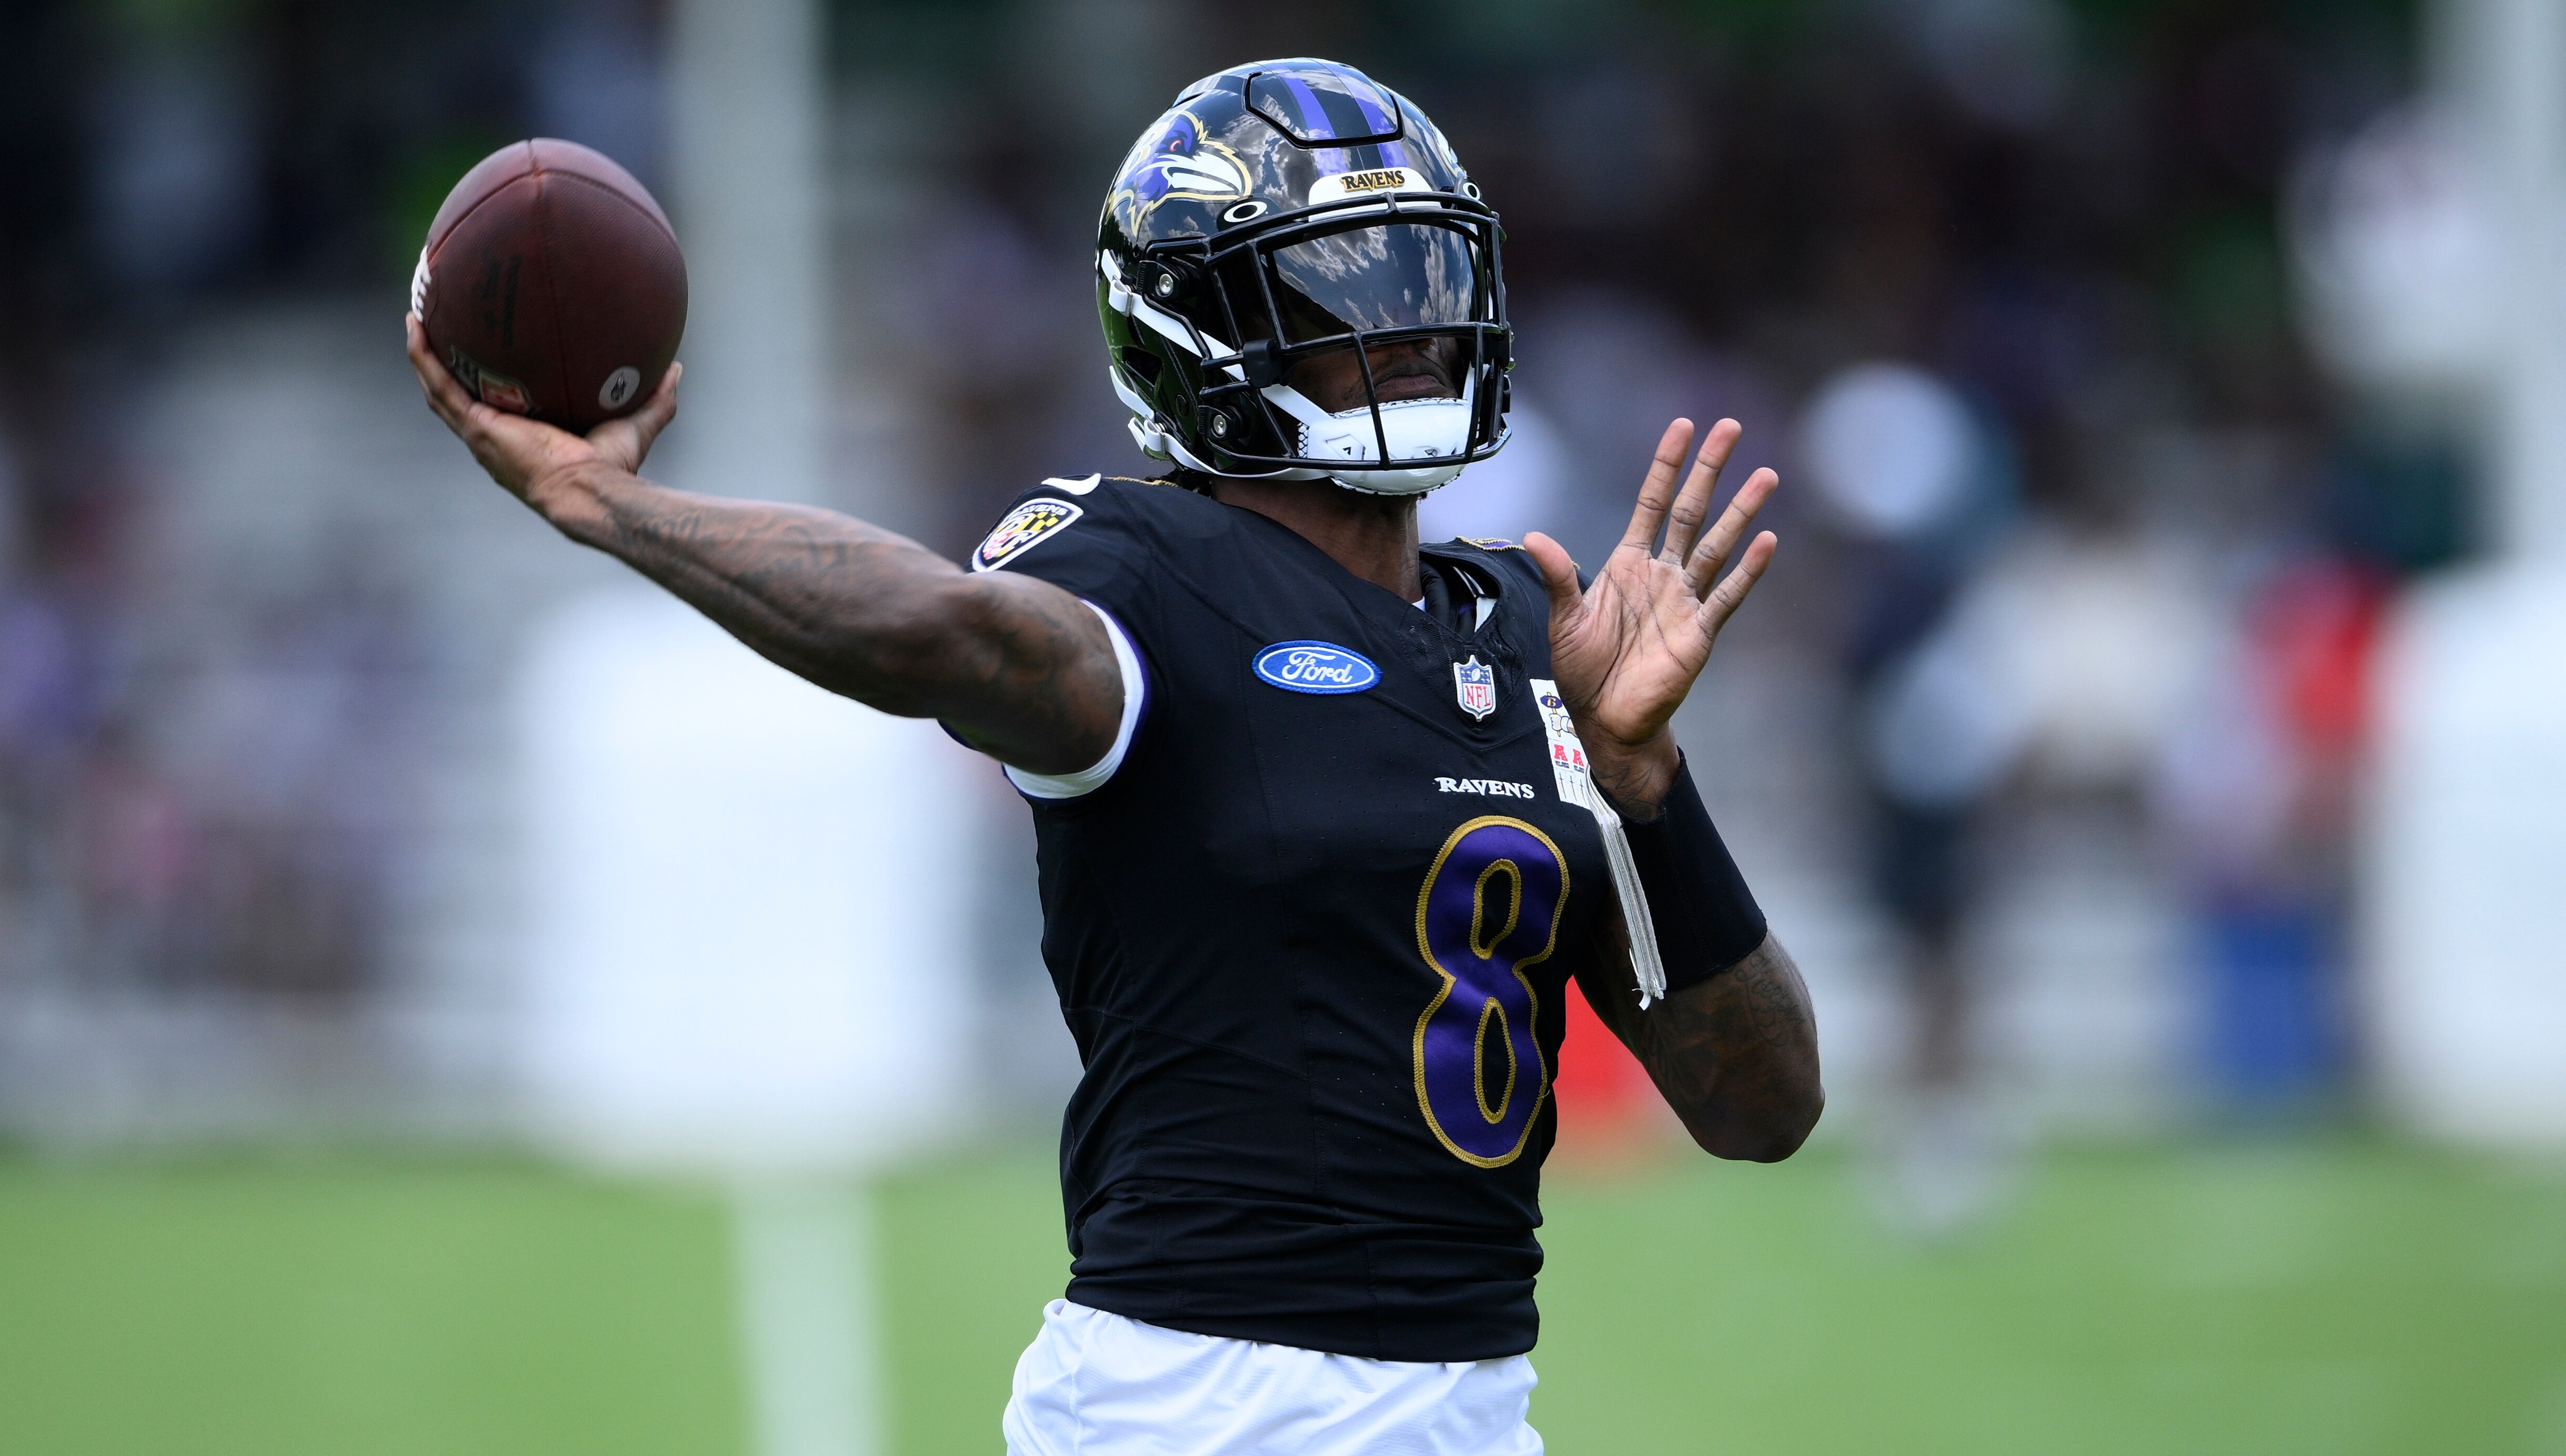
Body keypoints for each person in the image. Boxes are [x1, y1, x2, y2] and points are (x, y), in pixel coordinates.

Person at [410, 57, 1821, 1456]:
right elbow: (946, 632)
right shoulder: (1139, 569)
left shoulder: (1532, 628)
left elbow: (1761, 1109)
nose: (1409, 328)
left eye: (1423, 277)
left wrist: (1644, 784)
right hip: (1200, 1408)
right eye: (1342, 289)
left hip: (1475, 1412)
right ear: (1198, 331)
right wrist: (618, 509)